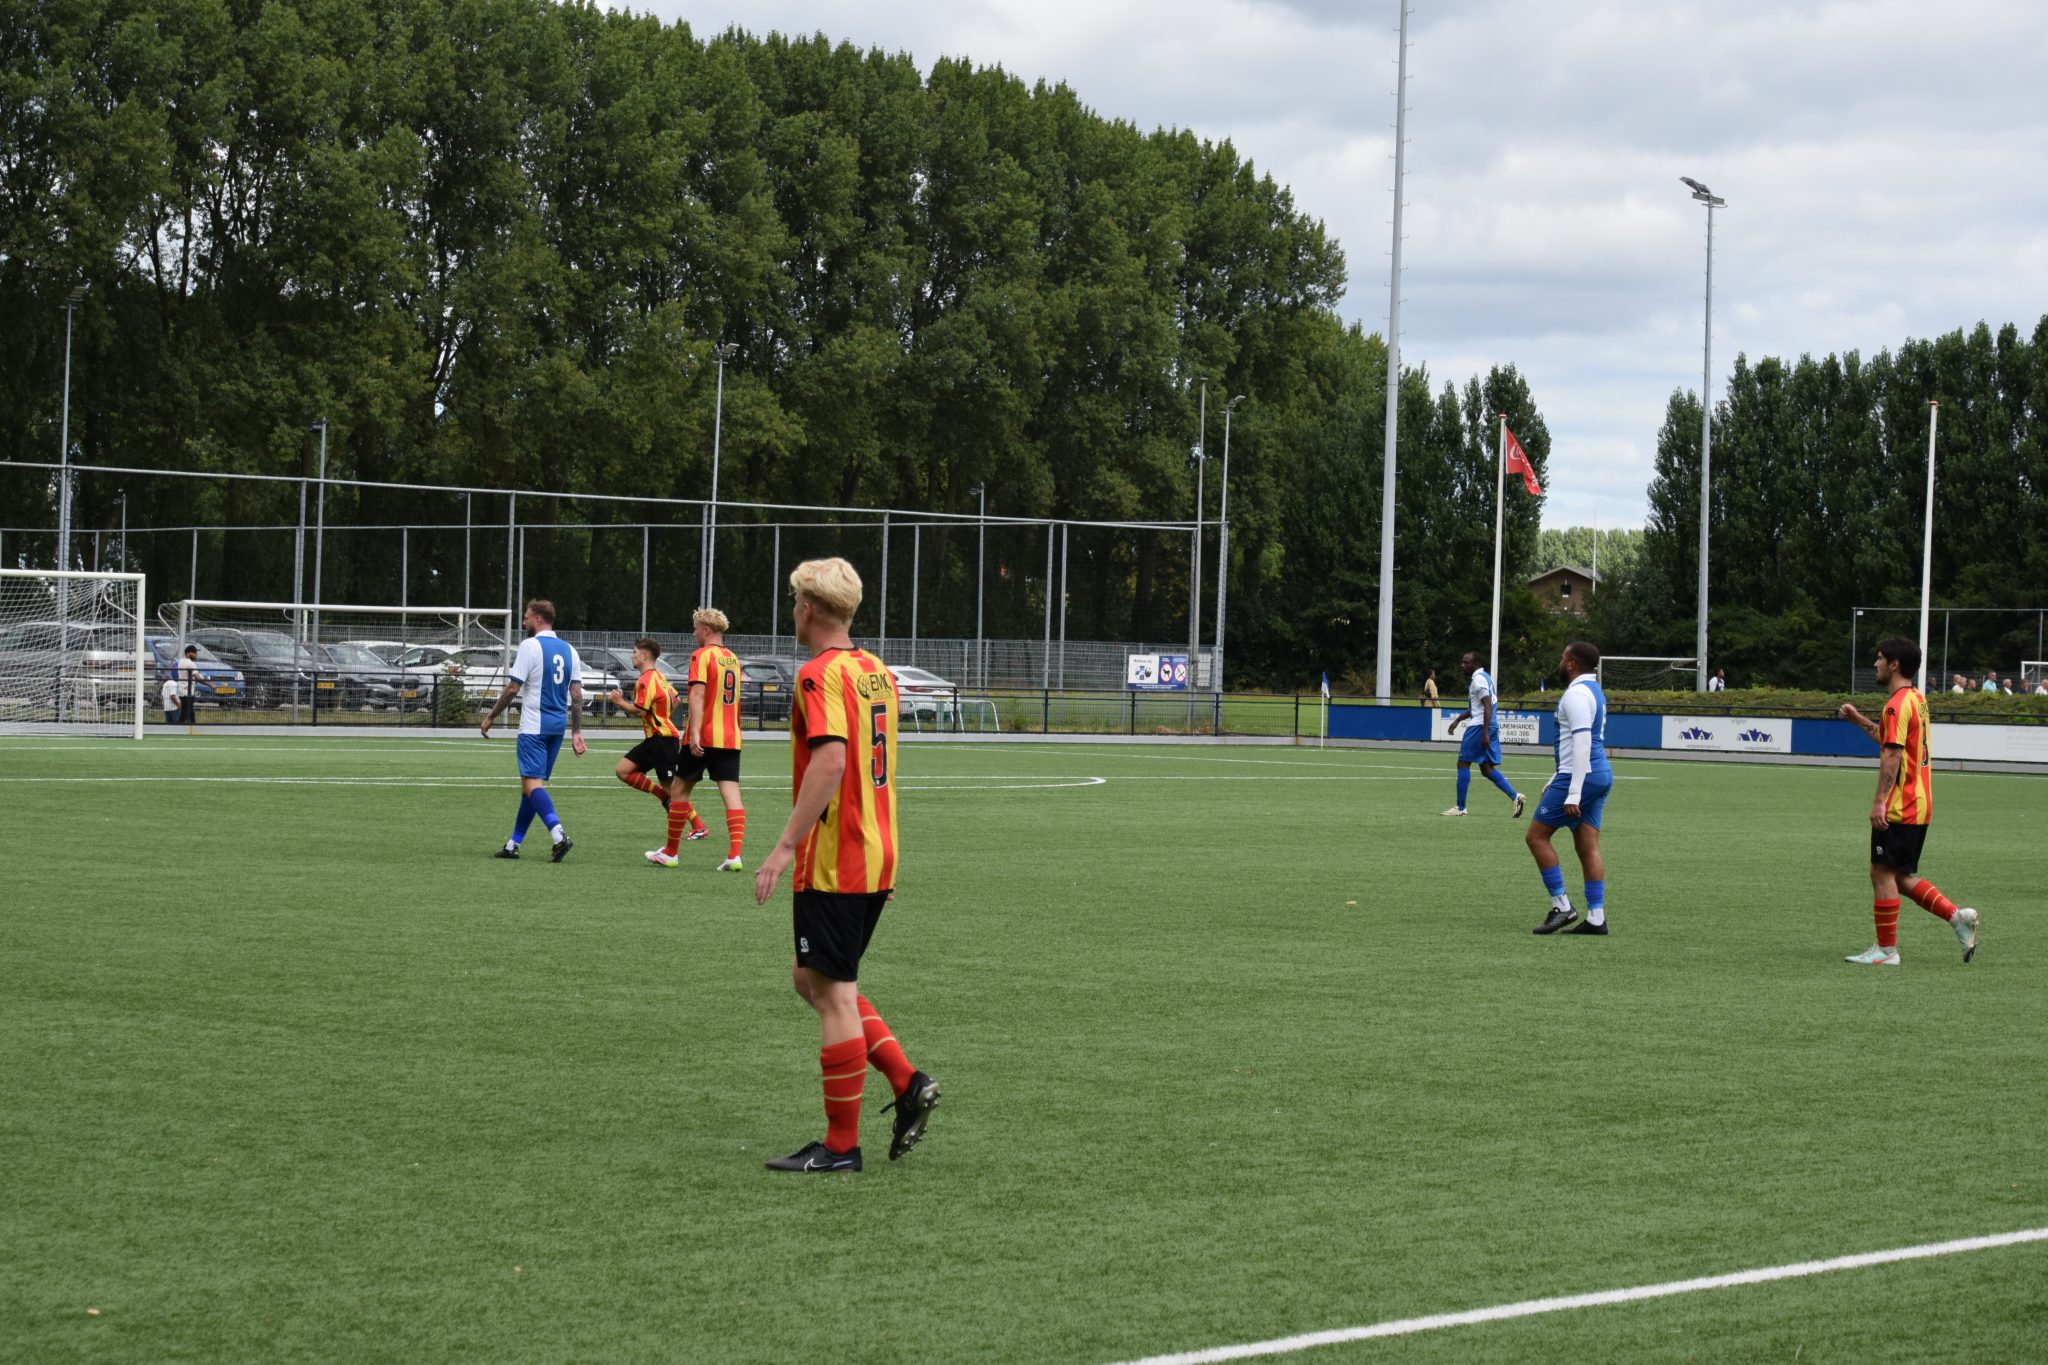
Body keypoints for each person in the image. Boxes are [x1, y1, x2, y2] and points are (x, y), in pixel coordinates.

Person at [754, 558, 937, 1173]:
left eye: (794, 602)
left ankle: (839, 1147)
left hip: (837, 857)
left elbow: (831, 762)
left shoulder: (817, 675)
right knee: (810, 978)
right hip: (877, 849)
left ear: (807, 608)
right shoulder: (876, 672)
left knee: (832, 993)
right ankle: (907, 1082)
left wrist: (784, 846)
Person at [1837, 638, 1979, 965]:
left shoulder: (1896, 704)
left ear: (1894, 664)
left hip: (1901, 805)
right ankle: (1957, 918)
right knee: (1897, 876)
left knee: (1880, 873)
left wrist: (1879, 802)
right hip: (1920, 802)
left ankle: (1887, 951)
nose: (1875, 664)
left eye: (1879, 658)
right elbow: (1889, 739)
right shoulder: (1916, 699)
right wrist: (1858, 719)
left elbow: (1892, 755)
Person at [481, 599, 585, 861]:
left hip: (533, 726)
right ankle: (513, 844)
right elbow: (576, 695)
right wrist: (576, 732)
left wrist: (491, 716)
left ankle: (559, 835)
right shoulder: (570, 650)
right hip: (557, 727)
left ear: (538, 619)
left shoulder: (530, 646)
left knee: (532, 783)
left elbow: (513, 688)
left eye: (527, 617)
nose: (524, 621)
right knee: (530, 786)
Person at [1528, 640, 1615, 936]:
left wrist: (1573, 790)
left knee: (1536, 837)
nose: (1560, 661)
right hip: (1597, 774)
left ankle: (1562, 906)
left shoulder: (1575, 694)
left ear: (1572, 663)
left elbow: (1582, 742)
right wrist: (1556, 777)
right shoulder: (1594, 690)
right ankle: (1596, 917)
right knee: (1587, 846)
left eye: (1562, 657)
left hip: (1581, 776)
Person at [673, 607, 748, 872]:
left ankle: (670, 852)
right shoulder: (733, 658)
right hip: (730, 737)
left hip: (704, 736)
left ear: (706, 630)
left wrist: (694, 732)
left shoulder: (701, 655)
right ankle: (735, 855)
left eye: (695, 628)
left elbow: (697, 695)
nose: (694, 633)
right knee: (732, 795)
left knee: (679, 790)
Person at [605, 637, 684, 863]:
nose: (632, 656)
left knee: (674, 792)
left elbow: (640, 711)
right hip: (655, 740)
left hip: (663, 741)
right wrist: (662, 716)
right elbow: (676, 700)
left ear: (645, 655)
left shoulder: (646, 680)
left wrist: (620, 702)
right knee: (623, 770)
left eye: (635, 652)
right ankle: (665, 799)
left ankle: (693, 830)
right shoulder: (659, 677)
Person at [1443, 651, 1524, 818]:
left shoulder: (1478, 679)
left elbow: (1487, 706)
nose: (1462, 666)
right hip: (1489, 724)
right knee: (1486, 769)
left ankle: (1460, 807)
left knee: (1463, 762)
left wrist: (1484, 733)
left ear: (1475, 664)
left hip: (1480, 726)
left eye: (1466, 663)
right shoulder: (1486, 678)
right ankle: (1515, 797)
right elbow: (1477, 707)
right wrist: (1458, 719)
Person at [177, 645, 201, 724]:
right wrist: (210, 684)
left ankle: (192, 724)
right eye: (194, 653)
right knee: (185, 713)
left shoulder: (181, 661)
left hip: (182, 691)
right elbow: (198, 677)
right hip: (188, 692)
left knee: (188, 711)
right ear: (188, 653)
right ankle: (178, 727)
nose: (196, 655)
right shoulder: (190, 664)